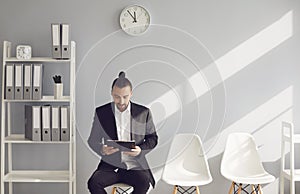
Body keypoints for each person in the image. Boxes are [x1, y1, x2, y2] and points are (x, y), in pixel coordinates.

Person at [87, 71, 158, 194]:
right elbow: (92, 140)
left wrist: (140, 150)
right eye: (117, 96)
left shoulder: (143, 112)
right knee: (93, 183)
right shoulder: (102, 112)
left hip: (135, 165)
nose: (121, 101)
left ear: (131, 94)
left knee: (144, 182)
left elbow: (153, 138)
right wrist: (102, 149)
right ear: (111, 93)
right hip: (110, 166)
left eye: (125, 97)